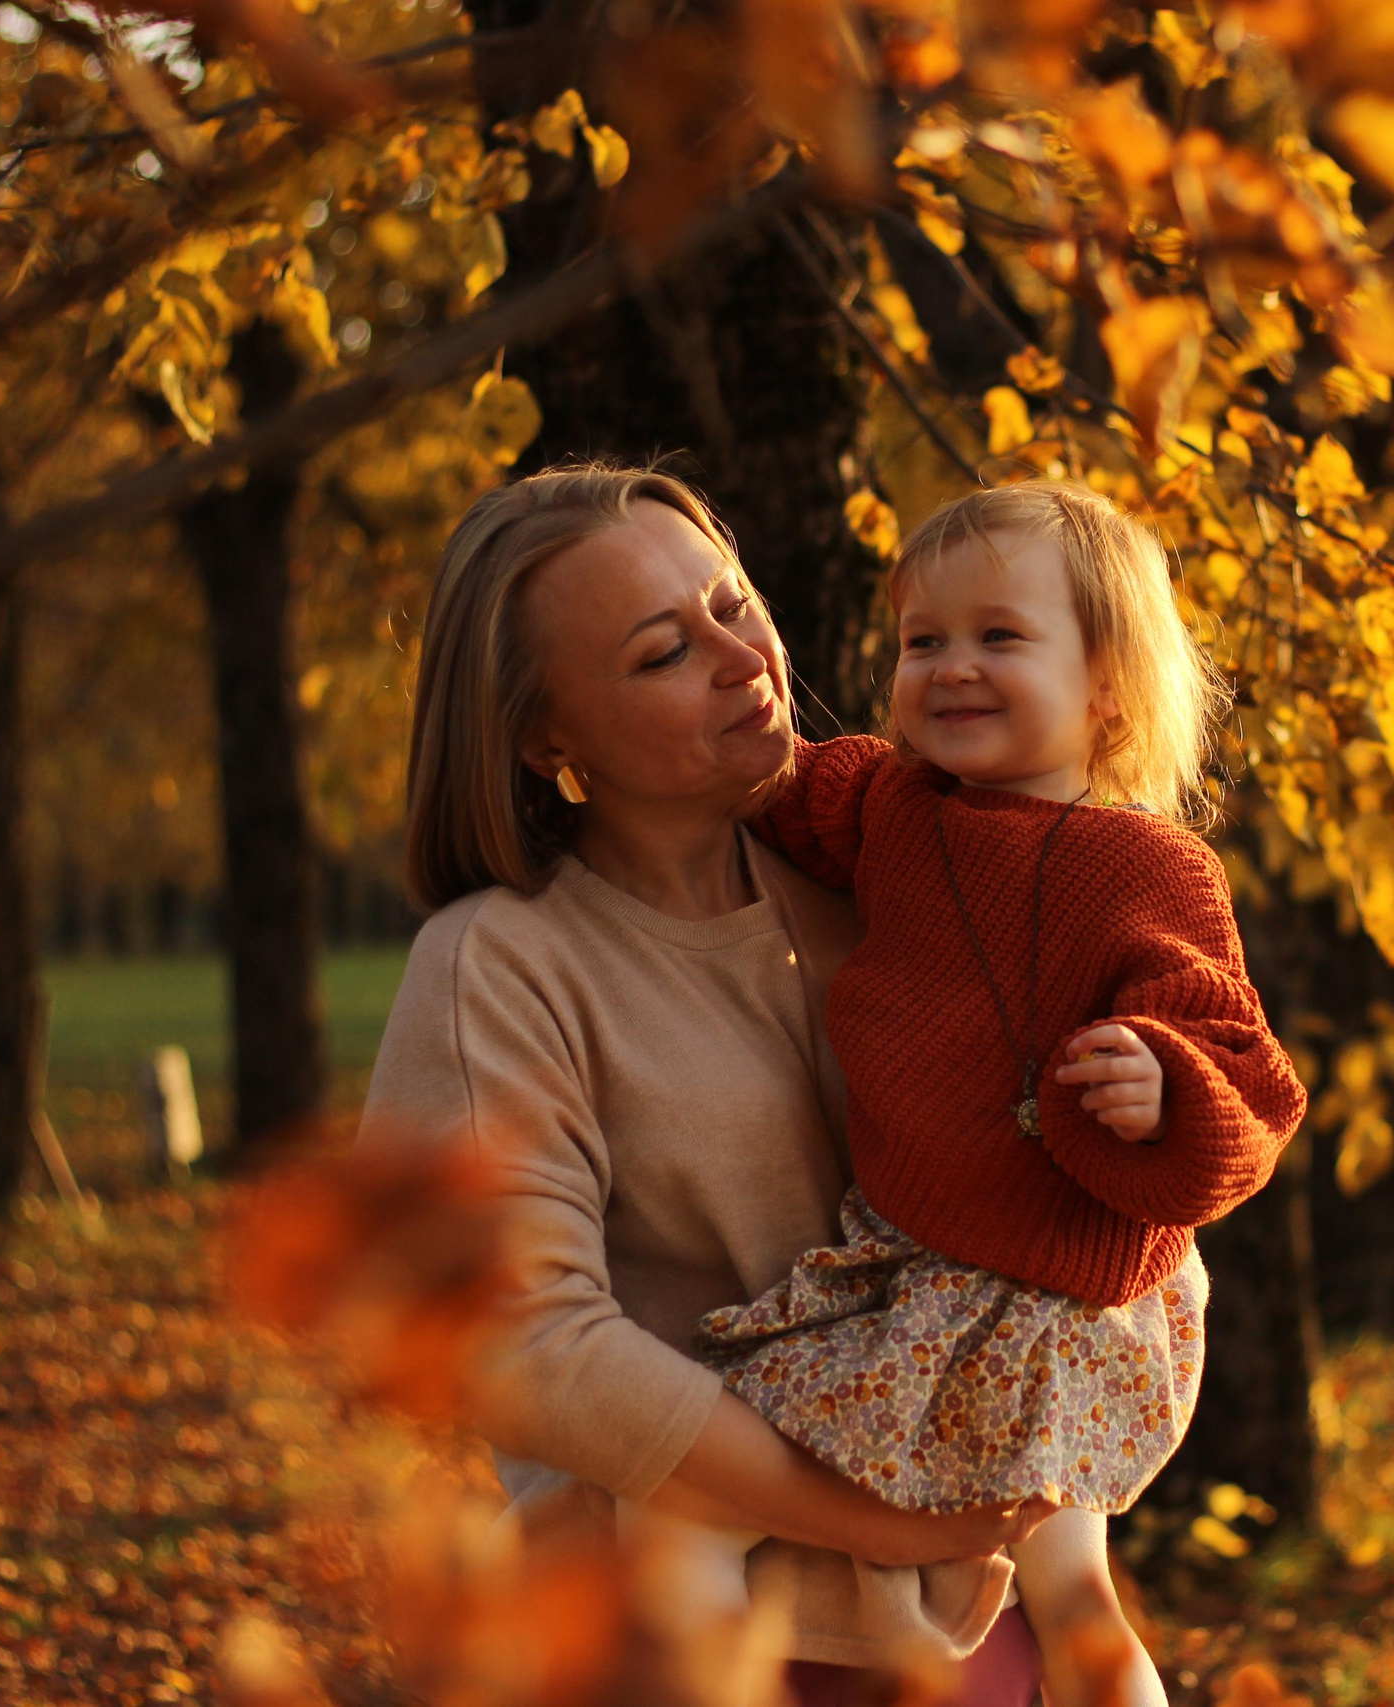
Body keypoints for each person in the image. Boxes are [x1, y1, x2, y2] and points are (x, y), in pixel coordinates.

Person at [357, 462, 1049, 1704]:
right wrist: (870, 1516)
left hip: (962, 1615)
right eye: (663, 652)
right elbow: (528, 1348)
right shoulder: (497, 967)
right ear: (541, 734)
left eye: (734, 605)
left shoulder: (900, 882)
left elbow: (1069, 1190)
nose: (743, 661)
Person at [643, 480, 1307, 1707]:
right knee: (1058, 1585)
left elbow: (1248, 1075)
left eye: (1000, 637)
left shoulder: (1147, 867)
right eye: (920, 641)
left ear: (1107, 683)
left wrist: (1165, 1088)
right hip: (928, 1270)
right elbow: (766, 782)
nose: (951, 668)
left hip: (1043, 1296)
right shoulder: (890, 806)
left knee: (692, 1510)